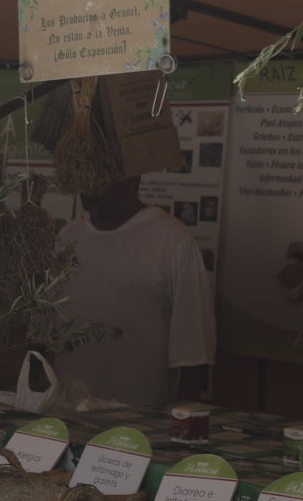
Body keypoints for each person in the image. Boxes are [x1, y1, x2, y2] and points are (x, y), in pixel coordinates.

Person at [55, 175, 215, 410]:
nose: (85, 181)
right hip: (67, 421)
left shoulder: (173, 242)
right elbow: (44, 338)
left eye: (98, 172)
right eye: (81, 168)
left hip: (140, 429)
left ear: (130, 178)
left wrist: (174, 434)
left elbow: (193, 358)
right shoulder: (67, 238)